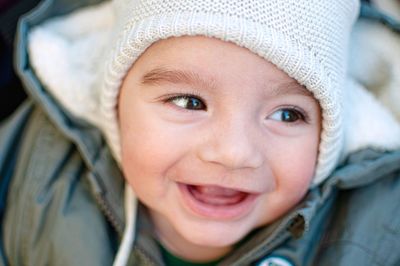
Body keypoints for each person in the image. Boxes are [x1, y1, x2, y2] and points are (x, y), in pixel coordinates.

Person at [1, 0, 400, 265]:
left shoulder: (380, 233)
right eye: (190, 102)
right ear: (115, 101)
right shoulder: (32, 171)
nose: (234, 152)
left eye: (286, 115)